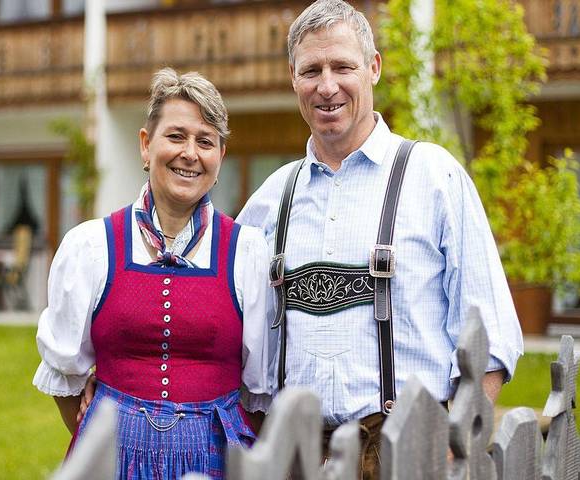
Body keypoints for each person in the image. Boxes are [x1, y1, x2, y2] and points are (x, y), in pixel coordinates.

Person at [235, 1, 524, 477]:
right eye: (312, 70)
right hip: (296, 458)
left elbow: (489, 341)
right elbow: (219, 307)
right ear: (293, 79)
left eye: (342, 66)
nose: (327, 86)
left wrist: (451, 451)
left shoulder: (434, 178)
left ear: (373, 68)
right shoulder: (273, 198)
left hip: (407, 454)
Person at [32, 68, 273, 479]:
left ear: (220, 158)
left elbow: (258, 392)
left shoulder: (247, 252)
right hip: (112, 460)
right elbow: (67, 379)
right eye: (176, 136)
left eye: (206, 141)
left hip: (215, 459)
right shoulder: (91, 247)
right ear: (146, 146)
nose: (190, 153)